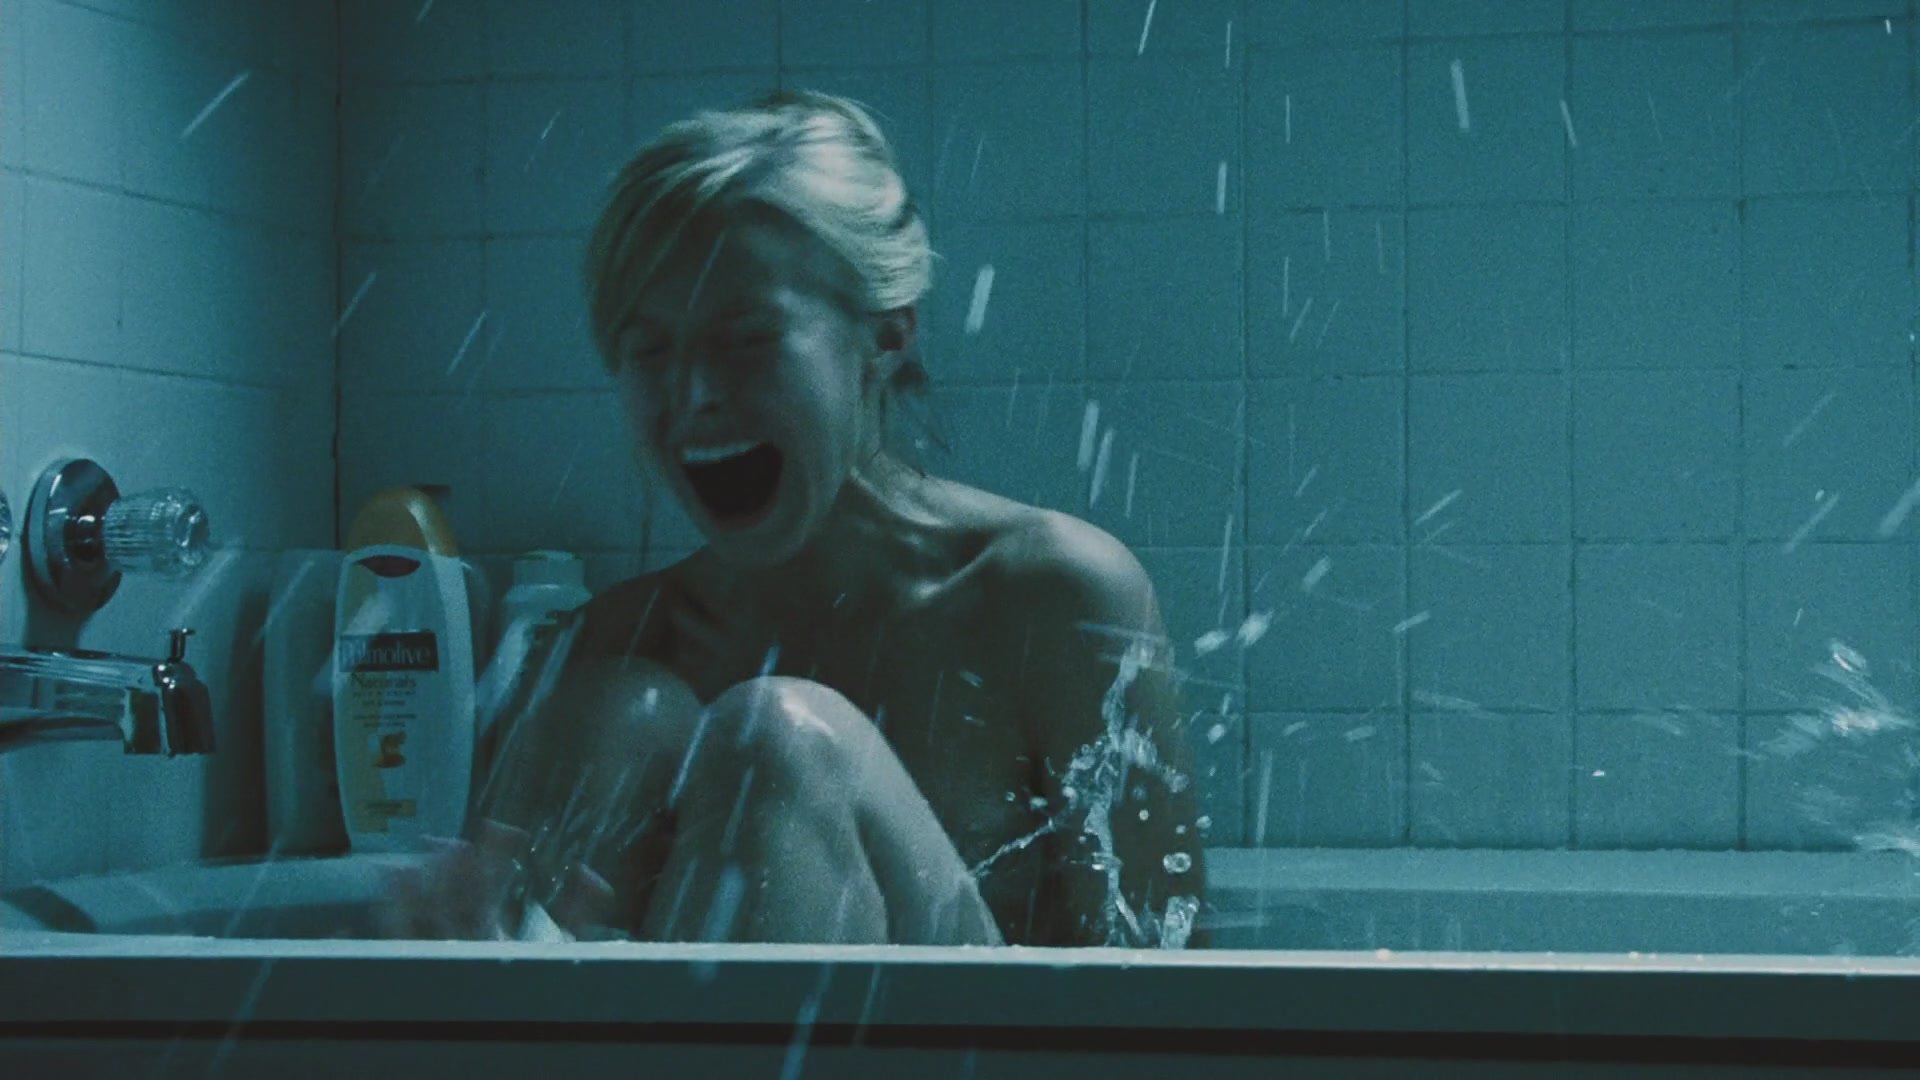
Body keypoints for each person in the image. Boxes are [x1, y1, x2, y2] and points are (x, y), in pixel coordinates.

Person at [377, 89, 1209, 949]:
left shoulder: (1047, 596)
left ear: (884, 337)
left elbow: (1172, 985)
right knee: (621, 710)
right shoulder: (609, 649)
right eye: (650, 350)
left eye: (746, 339)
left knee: (778, 744)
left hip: (974, 1034)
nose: (694, 396)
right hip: (689, 1025)